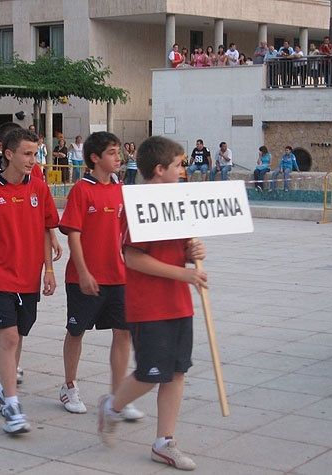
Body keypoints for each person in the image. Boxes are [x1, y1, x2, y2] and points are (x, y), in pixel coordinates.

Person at [97, 136, 207, 471]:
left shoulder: (178, 203)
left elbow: (176, 250)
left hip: (179, 303)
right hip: (149, 305)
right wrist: (183, 274)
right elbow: (133, 259)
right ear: (159, 170)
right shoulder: (138, 205)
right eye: (178, 165)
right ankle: (112, 406)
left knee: (176, 373)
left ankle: (165, 442)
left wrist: (192, 255)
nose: (183, 171)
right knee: (150, 374)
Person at [0, 128, 59, 434]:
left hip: (29, 277)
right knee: (9, 338)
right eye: (27, 154)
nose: (33, 160)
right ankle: (13, 406)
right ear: (8, 154)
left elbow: (46, 229)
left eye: (35, 153)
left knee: (20, 334)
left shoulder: (39, 189)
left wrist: (49, 270)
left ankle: (4, 390)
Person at [58, 131, 144, 421]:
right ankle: (69, 385)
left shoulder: (121, 188)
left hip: (118, 276)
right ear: (95, 158)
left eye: (119, 151)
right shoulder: (82, 190)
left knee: (123, 334)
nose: (118, 157)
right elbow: (73, 235)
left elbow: (128, 232)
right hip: (84, 277)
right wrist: (83, 272)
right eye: (111, 152)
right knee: (76, 331)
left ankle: (118, 395)